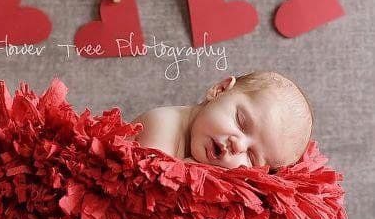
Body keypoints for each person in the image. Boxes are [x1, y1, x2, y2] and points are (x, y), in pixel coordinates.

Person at [130, 70, 314, 170]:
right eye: (241, 122)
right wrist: (192, 171)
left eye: (251, 157)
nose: (238, 146)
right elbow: (151, 189)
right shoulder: (161, 125)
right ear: (220, 90)